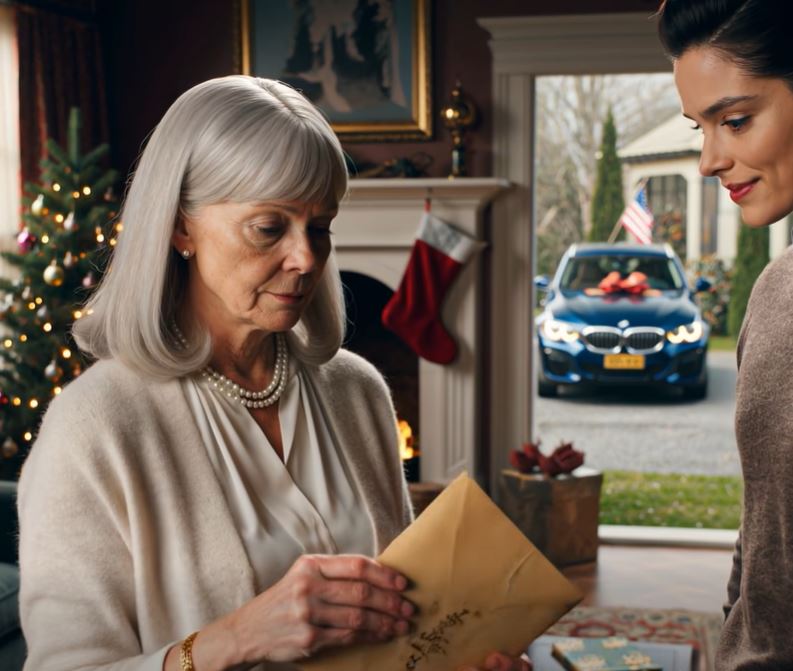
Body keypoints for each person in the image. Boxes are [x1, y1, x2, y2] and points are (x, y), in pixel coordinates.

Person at [17, 75, 529, 671]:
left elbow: (401, 631)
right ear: (181, 226)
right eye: (268, 228)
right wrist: (235, 638)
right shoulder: (91, 428)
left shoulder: (357, 391)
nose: (306, 258)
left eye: (320, 227)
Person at [657, 1, 793, 668]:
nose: (709, 159)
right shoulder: (772, 291)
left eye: (734, 121)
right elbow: (759, 524)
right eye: (699, 127)